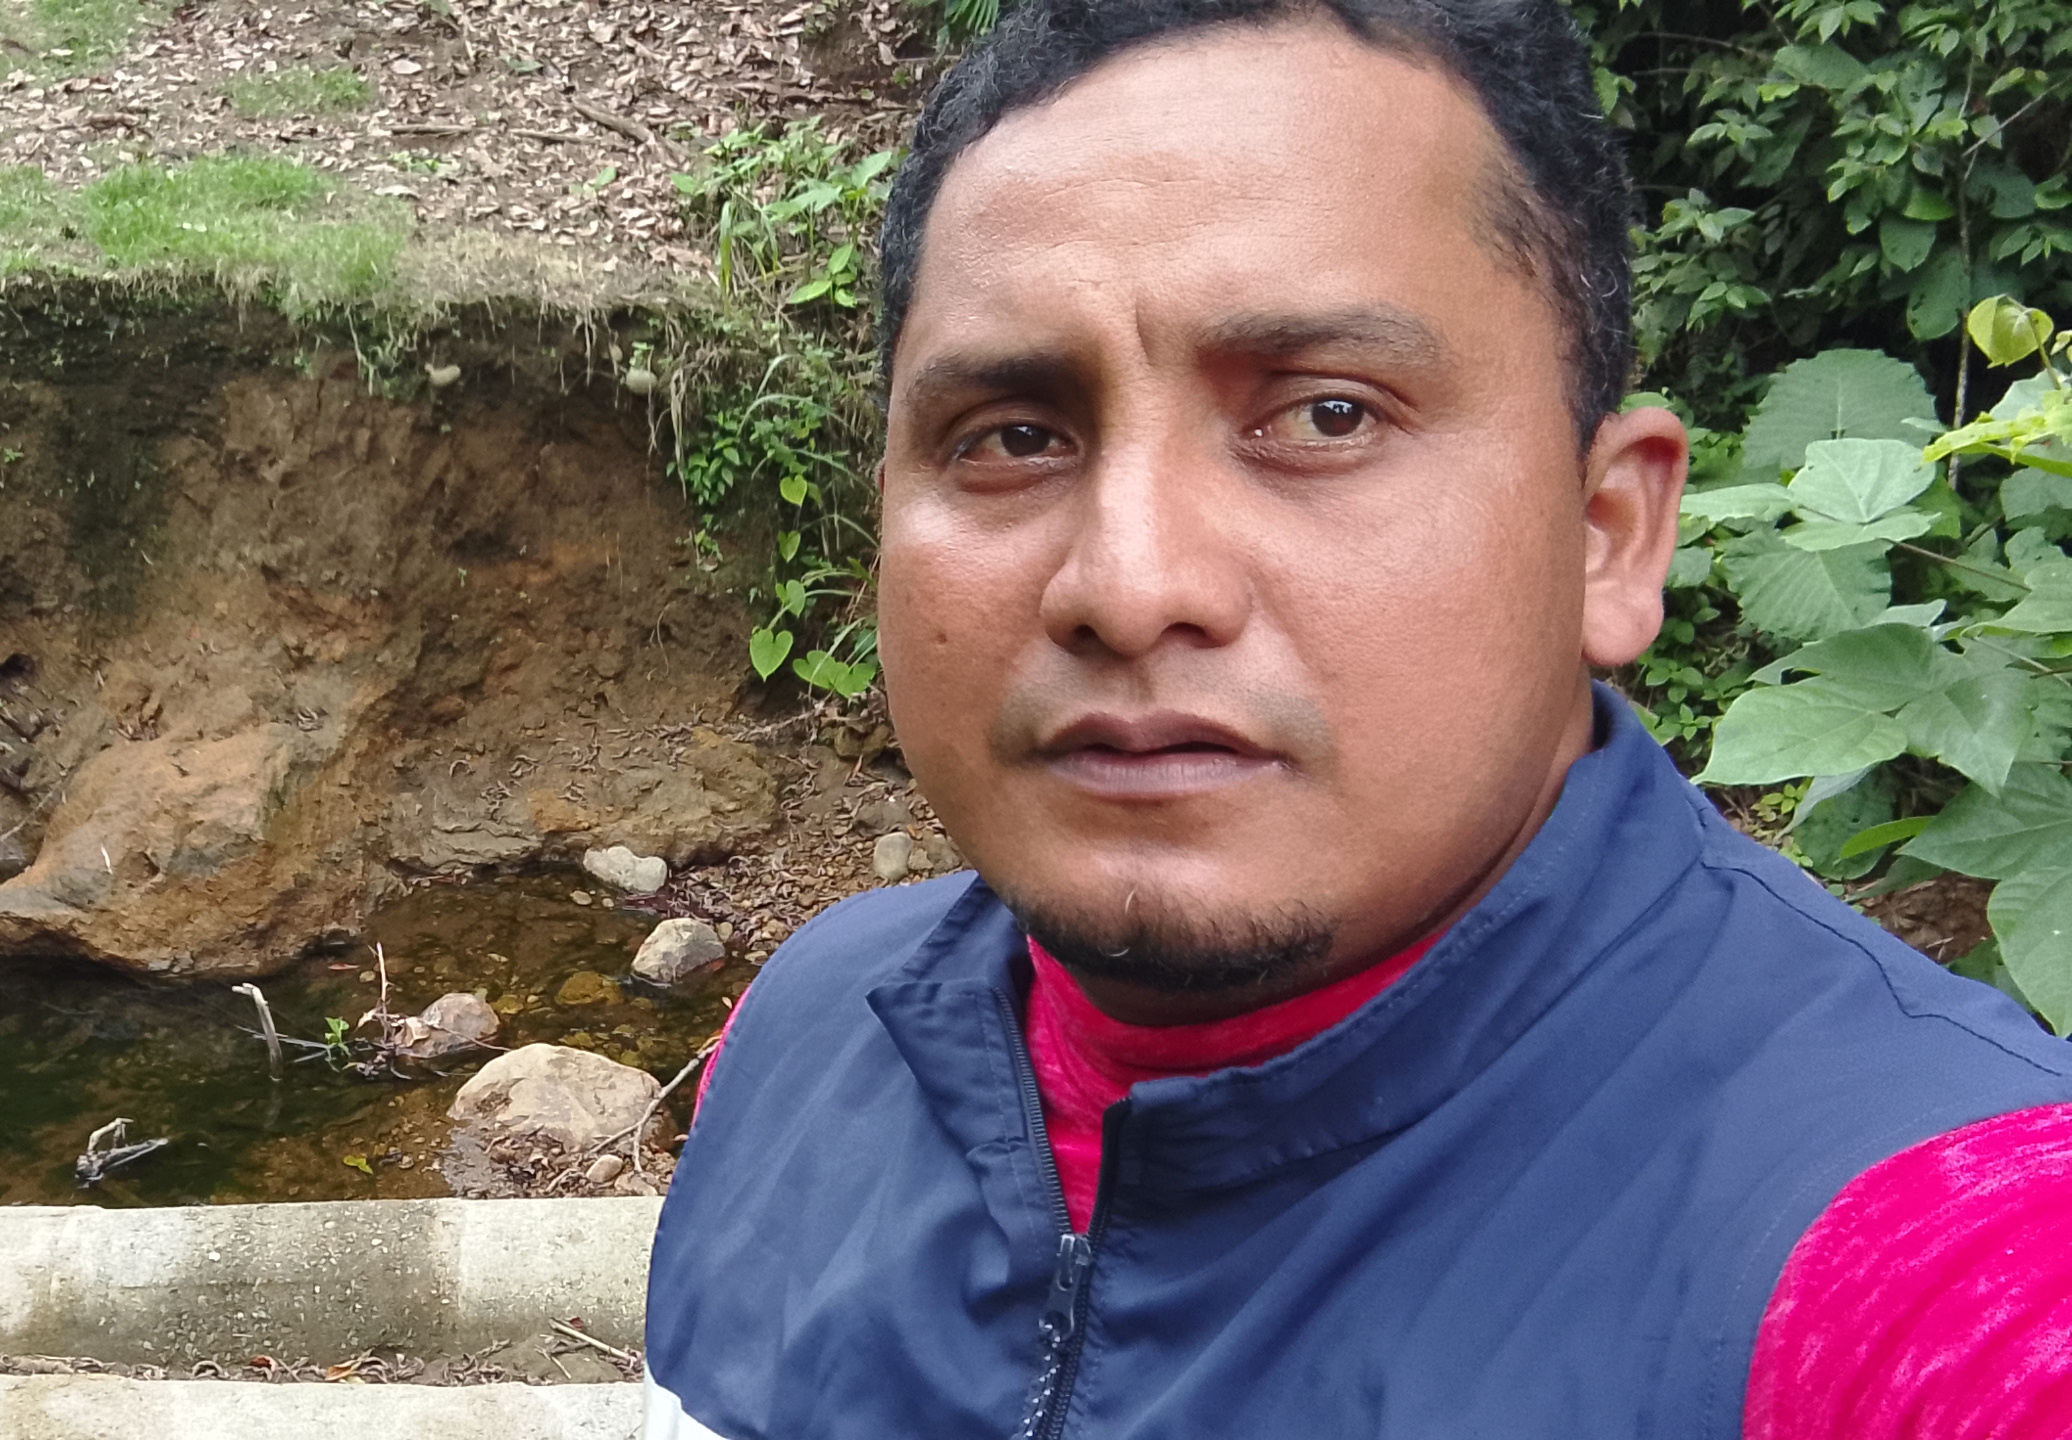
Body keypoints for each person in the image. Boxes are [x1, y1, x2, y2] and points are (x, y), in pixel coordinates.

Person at [642, 2, 2072, 1437]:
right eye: (1014, 437)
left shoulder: (1933, 1250)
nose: (1130, 588)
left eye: (1329, 415)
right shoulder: (811, 1030)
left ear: (1605, 533)